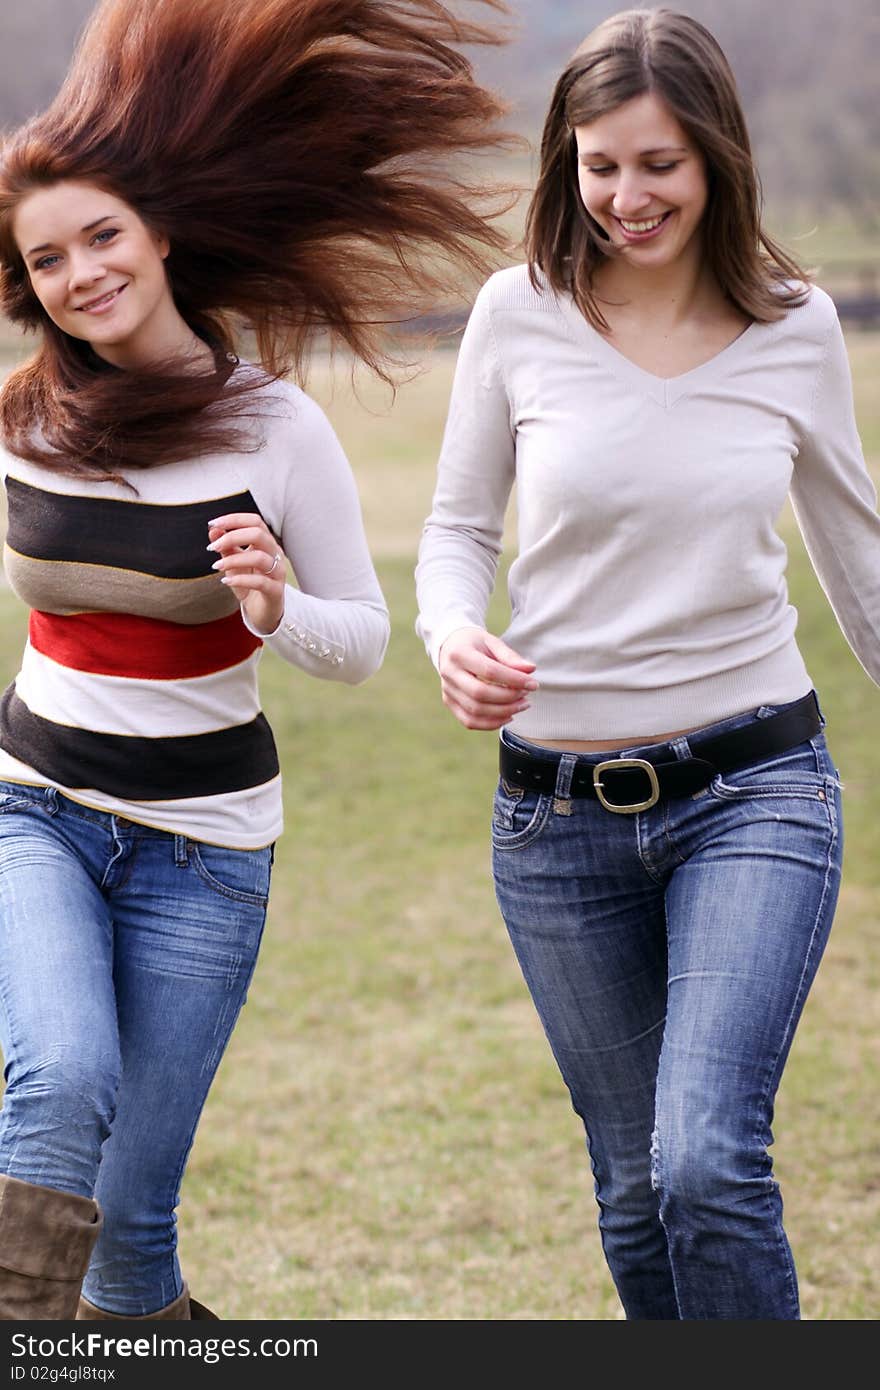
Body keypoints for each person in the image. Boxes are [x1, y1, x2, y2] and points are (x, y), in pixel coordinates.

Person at [0, 0, 511, 1321]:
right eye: (48, 258)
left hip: (203, 849)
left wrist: (277, 604)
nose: (83, 273)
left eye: (102, 235)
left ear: (160, 234)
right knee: (55, 1079)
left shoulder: (272, 428)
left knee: (131, 1225)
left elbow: (359, 642)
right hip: (36, 813)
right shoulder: (23, 420)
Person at [416, 7, 880, 1320]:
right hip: (552, 820)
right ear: (565, 160)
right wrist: (453, 637)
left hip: (754, 791)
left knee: (706, 1162)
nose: (627, 195)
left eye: (659, 164)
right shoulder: (517, 314)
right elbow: (453, 535)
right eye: (600, 162)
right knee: (632, 1187)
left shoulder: (793, 328)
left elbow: (861, 564)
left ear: (718, 160)